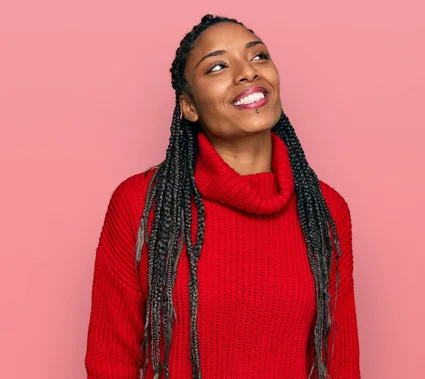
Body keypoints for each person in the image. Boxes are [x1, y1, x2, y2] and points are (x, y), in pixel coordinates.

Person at [85, 14, 361, 379]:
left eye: (259, 56)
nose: (248, 72)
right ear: (189, 107)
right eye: (217, 66)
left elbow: (339, 363)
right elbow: (109, 363)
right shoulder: (140, 203)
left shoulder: (325, 209)